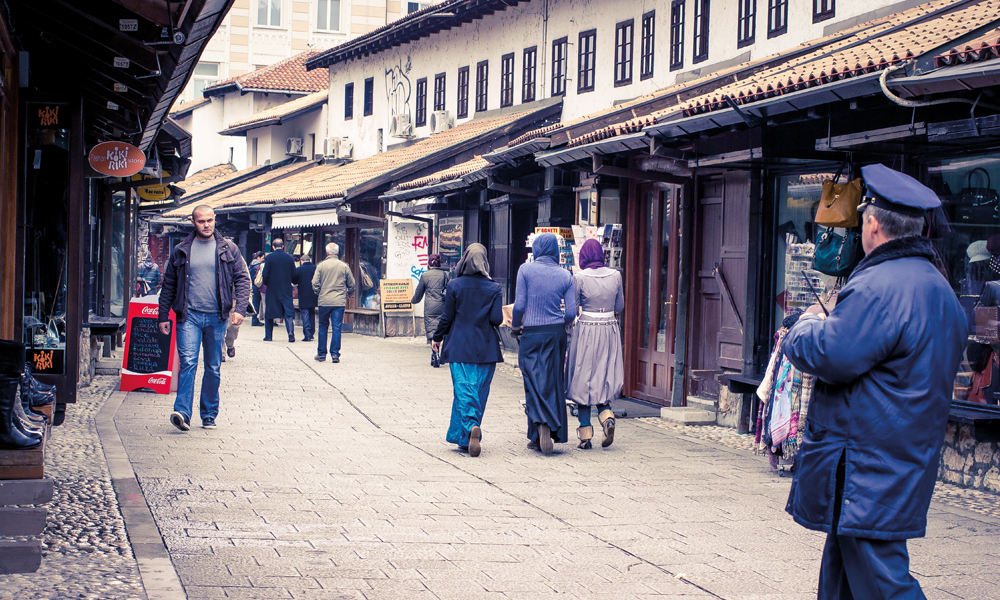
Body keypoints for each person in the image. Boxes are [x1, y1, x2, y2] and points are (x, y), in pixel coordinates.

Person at [781, 164, 967, 600]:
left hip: (866, 463)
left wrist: (803, 326)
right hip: (898, 455)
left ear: (873, 224)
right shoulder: (940, 288)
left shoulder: (880, 286)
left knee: (885, 582)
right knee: (843, 574)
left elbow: (830, 354)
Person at [158, 205, 250, 431]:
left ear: (215, 220)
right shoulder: (181, 250)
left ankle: (209, 414)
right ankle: (183, 413)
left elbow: (242, 279)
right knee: (188, 363)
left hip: (217, 317)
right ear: (193, 222)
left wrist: (240, 308)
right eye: (201, 221)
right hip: (188, 316)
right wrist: (162, 315)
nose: (206, 225)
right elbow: (169, 284)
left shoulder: (229, 248)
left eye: (210, 220)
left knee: (213, 367)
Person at [431, 244, 502, 457]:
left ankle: (471, 427)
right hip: (486, 348)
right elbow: (496, 319)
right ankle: (464, 438)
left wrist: (437, 337)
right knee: (479, 391)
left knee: (463, 390)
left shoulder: (454, 285)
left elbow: (447, 317)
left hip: (460, 345)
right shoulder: (494, 288)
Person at [511, 233, 577, 455]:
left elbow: (519, 305)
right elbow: (571, 313)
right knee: (553, 380)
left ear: (537, 249)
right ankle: (547, 429)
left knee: (532, 379)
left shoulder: (525, 270)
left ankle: (540, 425)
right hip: (556, 334)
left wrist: (516, 327)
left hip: (531, 333)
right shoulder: (565, 275)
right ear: (556, 251)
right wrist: (560, 323)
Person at [566, 238, 624, 449]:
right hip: (609, 328)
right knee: (603, 374)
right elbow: (620, 305)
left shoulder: (579, 277)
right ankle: (607, 417)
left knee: (583, 377)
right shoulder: (615, 275)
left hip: (587, 327)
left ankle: (585, 435)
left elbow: (573, 307)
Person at [312, 242, 355, 363]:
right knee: (337, 327)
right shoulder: (344, 266)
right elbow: (352, 283)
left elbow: (315, 283)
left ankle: (321, 354)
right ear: (337, 252)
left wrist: (319, 292)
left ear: (326, 253)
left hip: (324, 301)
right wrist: (349, 293)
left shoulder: (321, 266)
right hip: (339, 301)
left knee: (322, 327)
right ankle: (335, 354)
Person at [411, 253, 450, 364]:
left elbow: (419, 293)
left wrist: (413, 300)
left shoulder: (425, 276)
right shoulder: (444, 275)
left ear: (429, 263)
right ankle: (438, 351)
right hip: (443, 306)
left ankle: (435, 354)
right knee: (440, 329)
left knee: (432, 331)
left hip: (430, 308)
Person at [261, 238, 296, 342]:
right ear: (283, 246)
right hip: (286, 288)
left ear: (273, 246)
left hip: (272, 289)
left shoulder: (269, 258)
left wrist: (267, 283)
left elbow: (265, 274)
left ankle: (268, 336)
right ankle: (290, 332)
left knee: (269, 312)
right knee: (288, 312)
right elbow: (294, 274)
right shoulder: (289, 258)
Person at [293, 255, 318, 342]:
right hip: (313, 294)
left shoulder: (299, 269)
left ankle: (307, 334)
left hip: (303, 294)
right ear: (309, 260)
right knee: (312, 313)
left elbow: (294, 280)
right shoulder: (315, 268)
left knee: (305, 313)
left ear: (301, 261)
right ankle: (311, 333)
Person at [248, 251, 265, 326]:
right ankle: (254, 320)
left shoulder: (251, 264)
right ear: (258, 257)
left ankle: (254, 319)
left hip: (252, 285)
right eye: (262, 258)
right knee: (256, 303)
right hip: (256, 286)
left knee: (255, 303)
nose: (263, 259)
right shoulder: (258, 266)